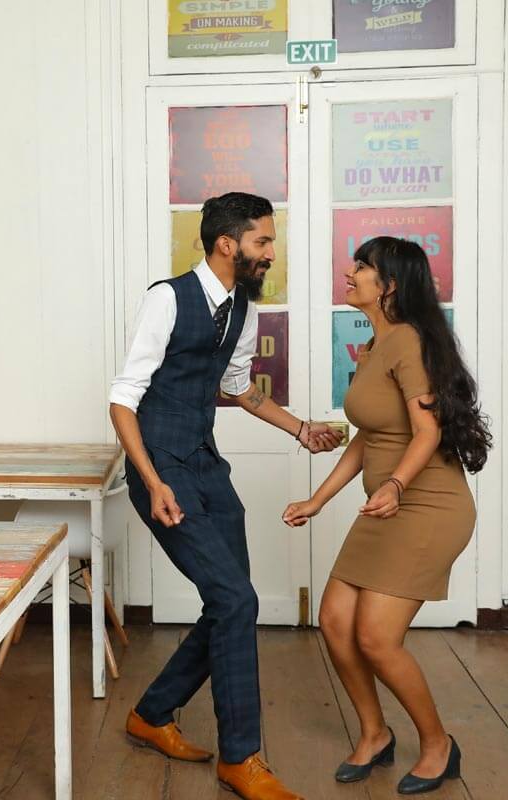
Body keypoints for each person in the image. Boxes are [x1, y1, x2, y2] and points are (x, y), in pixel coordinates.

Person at [109, 192, 342, 800]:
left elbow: (239, 389)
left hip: (207, 465)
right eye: (263, 241)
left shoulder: (242, 308)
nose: (271, 253)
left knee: (229, 604)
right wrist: (153, 481)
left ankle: (151, 714)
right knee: (238, 600)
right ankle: (241, 758)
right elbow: (123, 399)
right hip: (163, 468)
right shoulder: (167, 298)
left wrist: (301, 430)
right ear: (226, 243)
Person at [282, 236, 492, 795]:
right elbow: (369, 437)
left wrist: (397, 484)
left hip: (427, 505)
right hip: (388, 504)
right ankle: (375, 734)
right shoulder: (375, 345)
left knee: (376, 638)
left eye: (362, 267)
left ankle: (438, 745)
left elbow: (428, 432)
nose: (349, 273)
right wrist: (318, 499)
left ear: (390, 285)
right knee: (334, 621)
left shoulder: (409, 343)